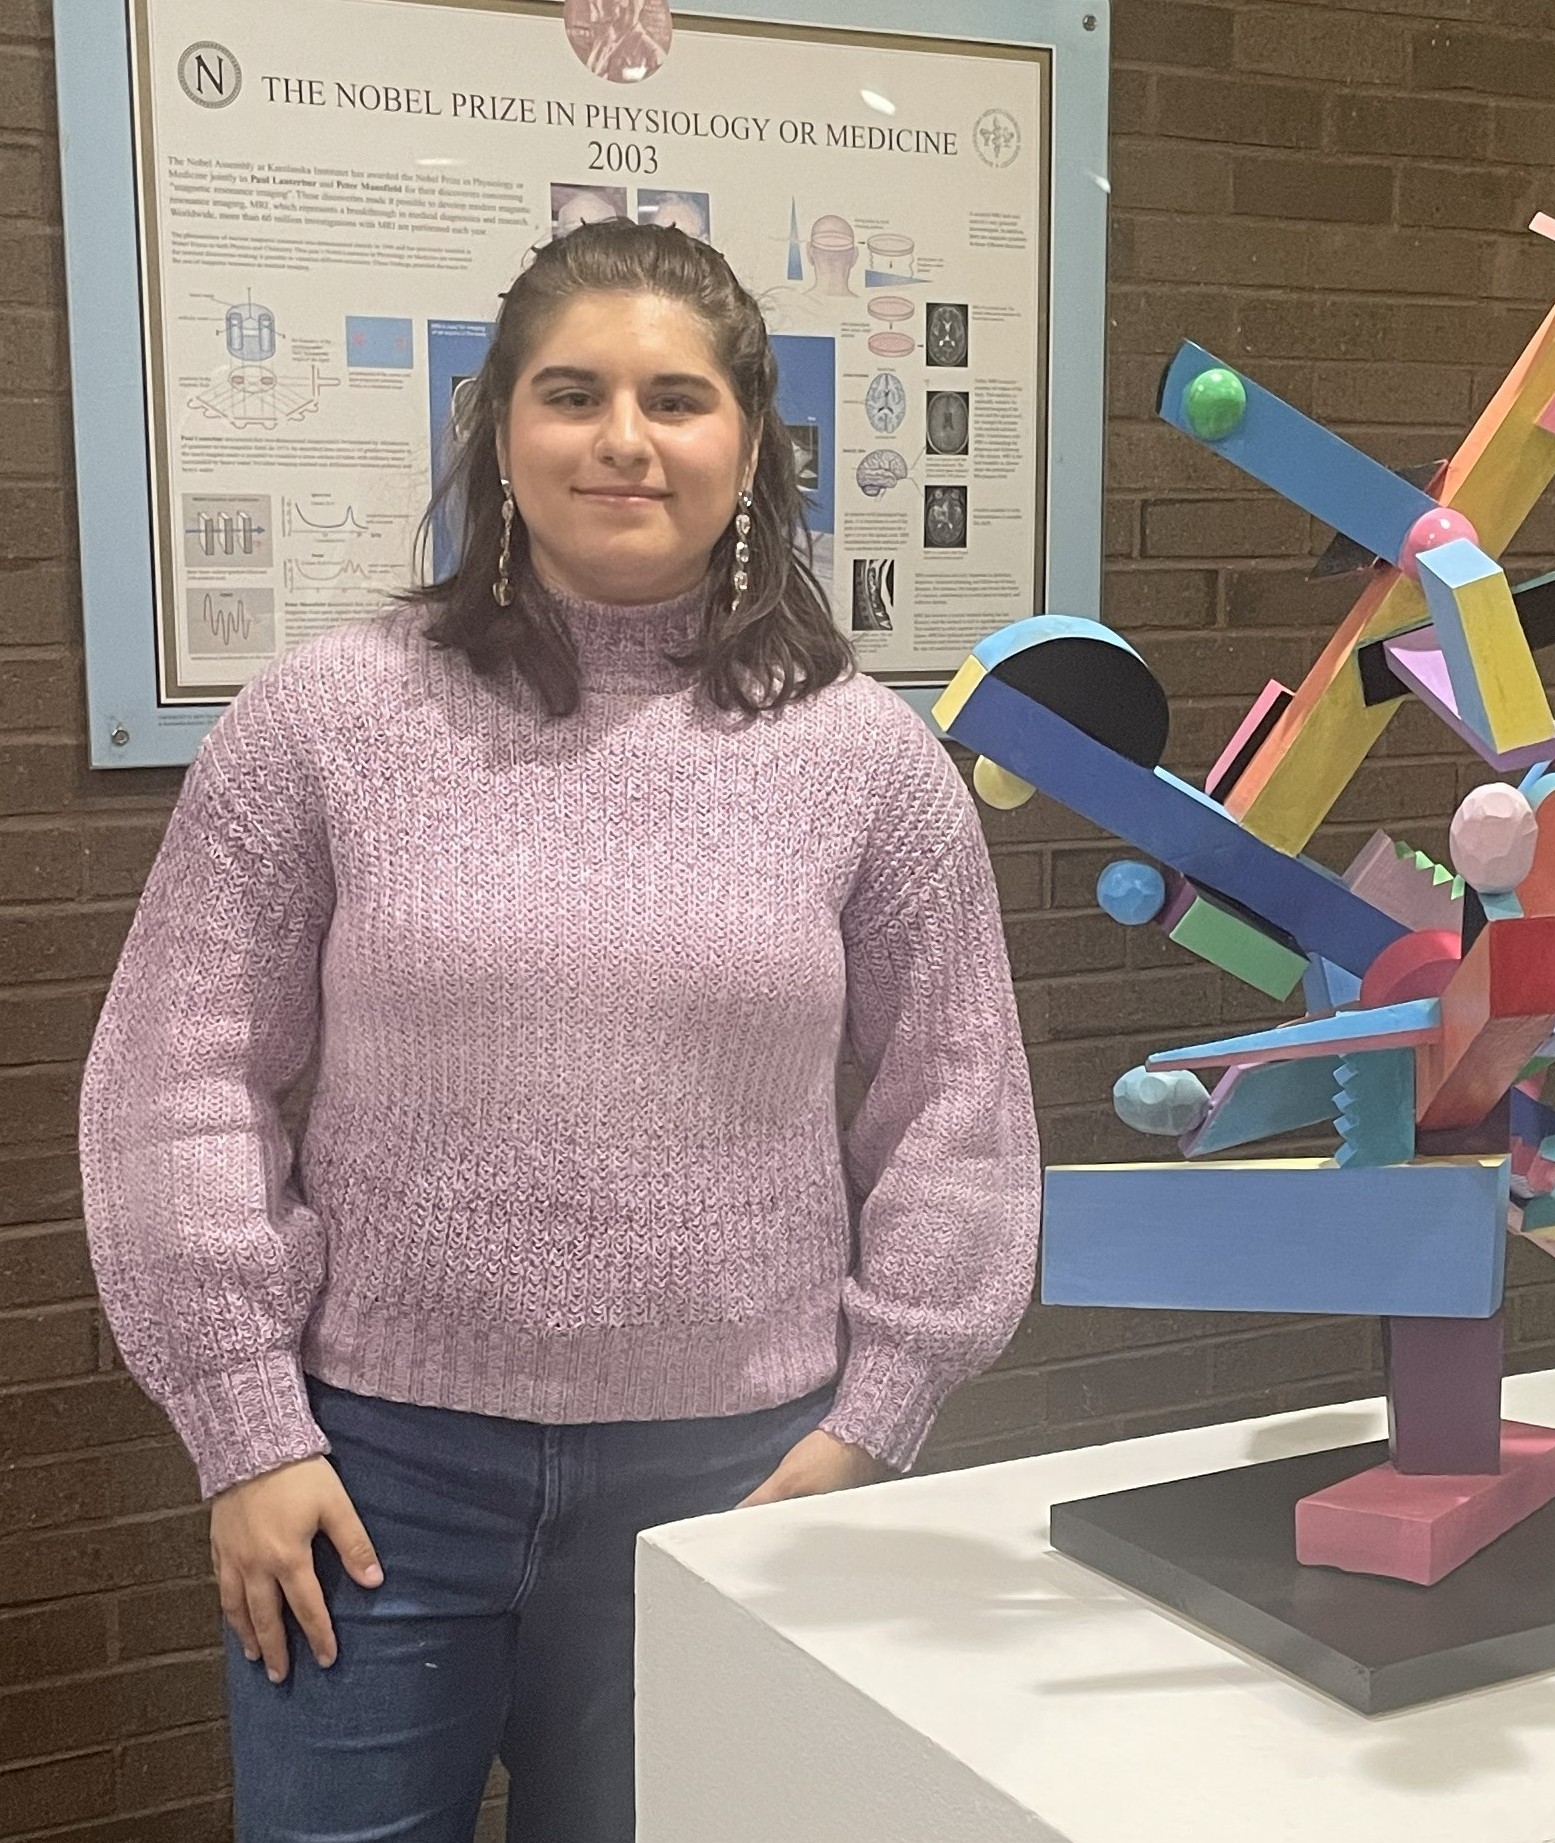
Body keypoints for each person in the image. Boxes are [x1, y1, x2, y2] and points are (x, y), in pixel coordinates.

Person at [78, 221, 1039, 1842]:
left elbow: (959, 1108)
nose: (622, 440)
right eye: (571, 392)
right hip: (368, 1481)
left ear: (749, 442)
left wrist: (878, 1421)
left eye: (676, 398)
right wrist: (241, 1427)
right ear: (499, 430)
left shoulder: (867, 763)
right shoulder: (325, 718)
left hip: (735, 1479)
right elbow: (177, 1073)